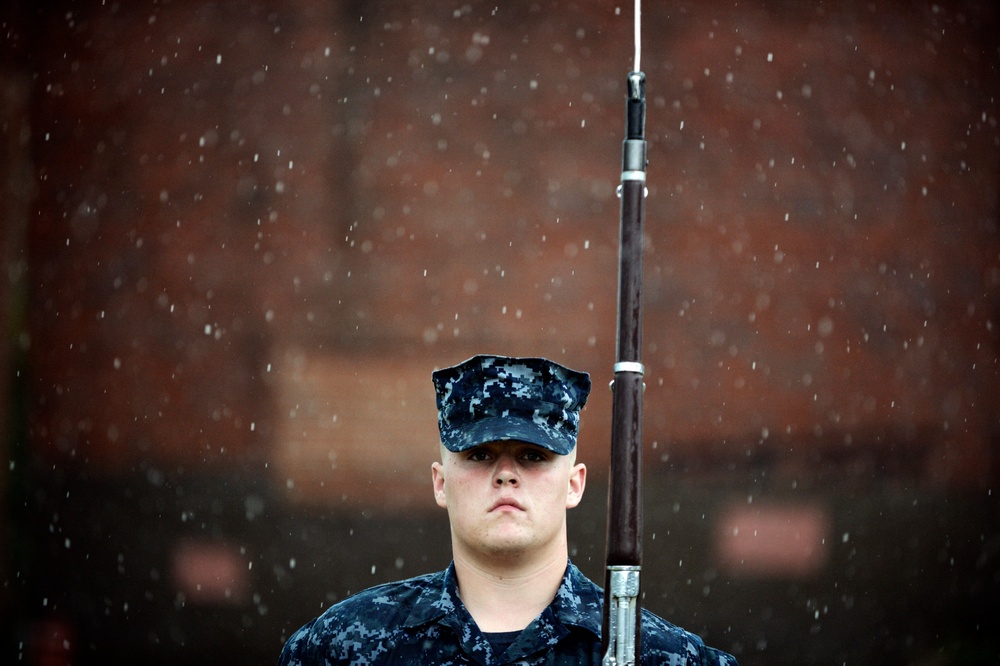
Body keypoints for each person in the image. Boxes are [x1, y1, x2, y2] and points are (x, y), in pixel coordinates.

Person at [278, 354, 738, 665]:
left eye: (532, 456)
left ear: (575, 485)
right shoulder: (339, 647)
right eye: (479, 455)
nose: (505, 474)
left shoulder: (658, 656)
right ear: (440, 483)